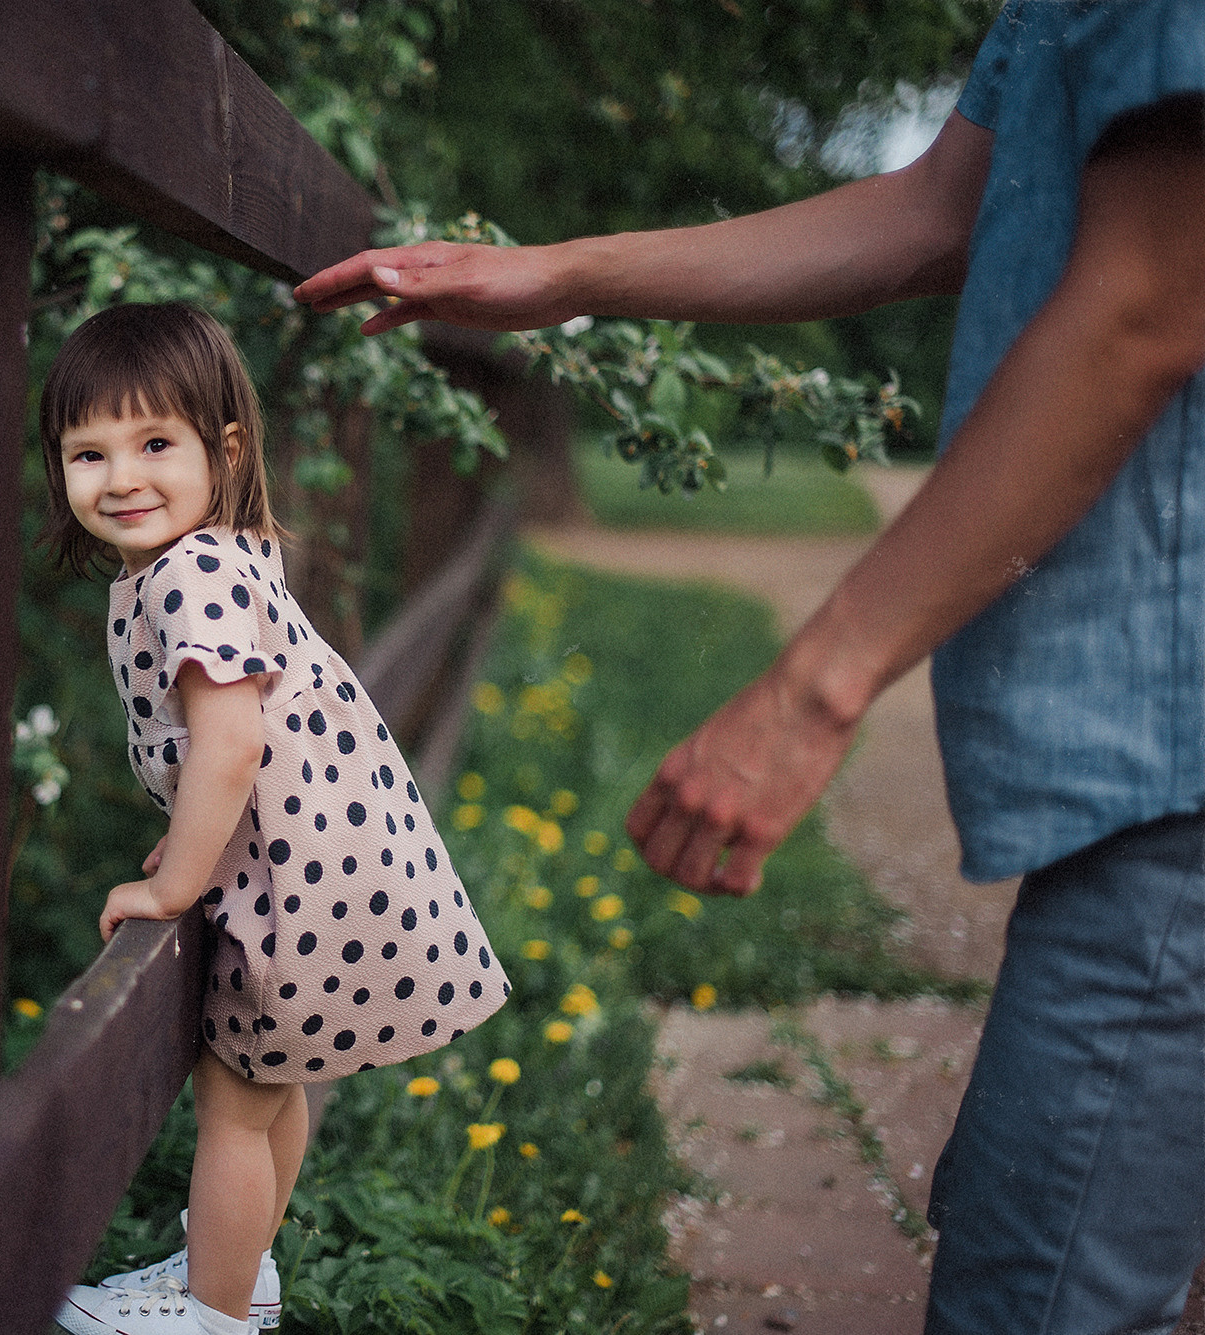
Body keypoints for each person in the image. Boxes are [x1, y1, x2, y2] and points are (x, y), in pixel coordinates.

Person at [296, 3, 1205, 1329]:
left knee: (1043, 1287)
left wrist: (811, 689)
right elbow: (943, 206)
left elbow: (1150, 299)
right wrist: (561, 276)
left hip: (1177, 764)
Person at [41, 302, 511, 1335]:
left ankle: (211, 1317)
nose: (120, 477)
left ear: (226, 448)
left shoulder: (186, 578)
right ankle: (238, 1273)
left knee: (232, 1104)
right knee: (270, 1088)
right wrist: (196, 838)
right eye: (88, 453)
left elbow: (231, 744)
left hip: (303, 880)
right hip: (329, 857)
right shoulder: (215, 550)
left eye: (154, 443)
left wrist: (174, 885)